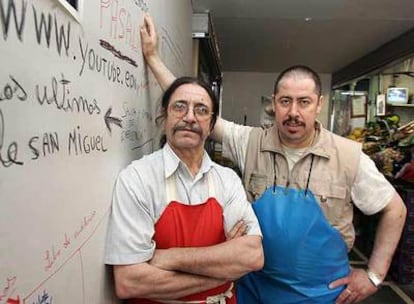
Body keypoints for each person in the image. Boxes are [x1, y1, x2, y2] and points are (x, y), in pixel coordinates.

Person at [139, 14, 408, 304]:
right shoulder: (250, 142)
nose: (294, 111)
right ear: (273, 104)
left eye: (304, 102)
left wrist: (374, 275)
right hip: (254, 289)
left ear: (319, 104)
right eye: (285, 101)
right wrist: (153, 58)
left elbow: (395, 210)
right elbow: (194, 108)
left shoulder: (349, 156)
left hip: (322, 294)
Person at [104, 76, 264, 304]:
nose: (189, 117)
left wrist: (168, 258)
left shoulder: (227, 180)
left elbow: (252, 256)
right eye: (180, 106)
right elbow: (130, 281)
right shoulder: (137, 178)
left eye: (201, 110)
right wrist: (223, 271)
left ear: (210, 125)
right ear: (164, 116)